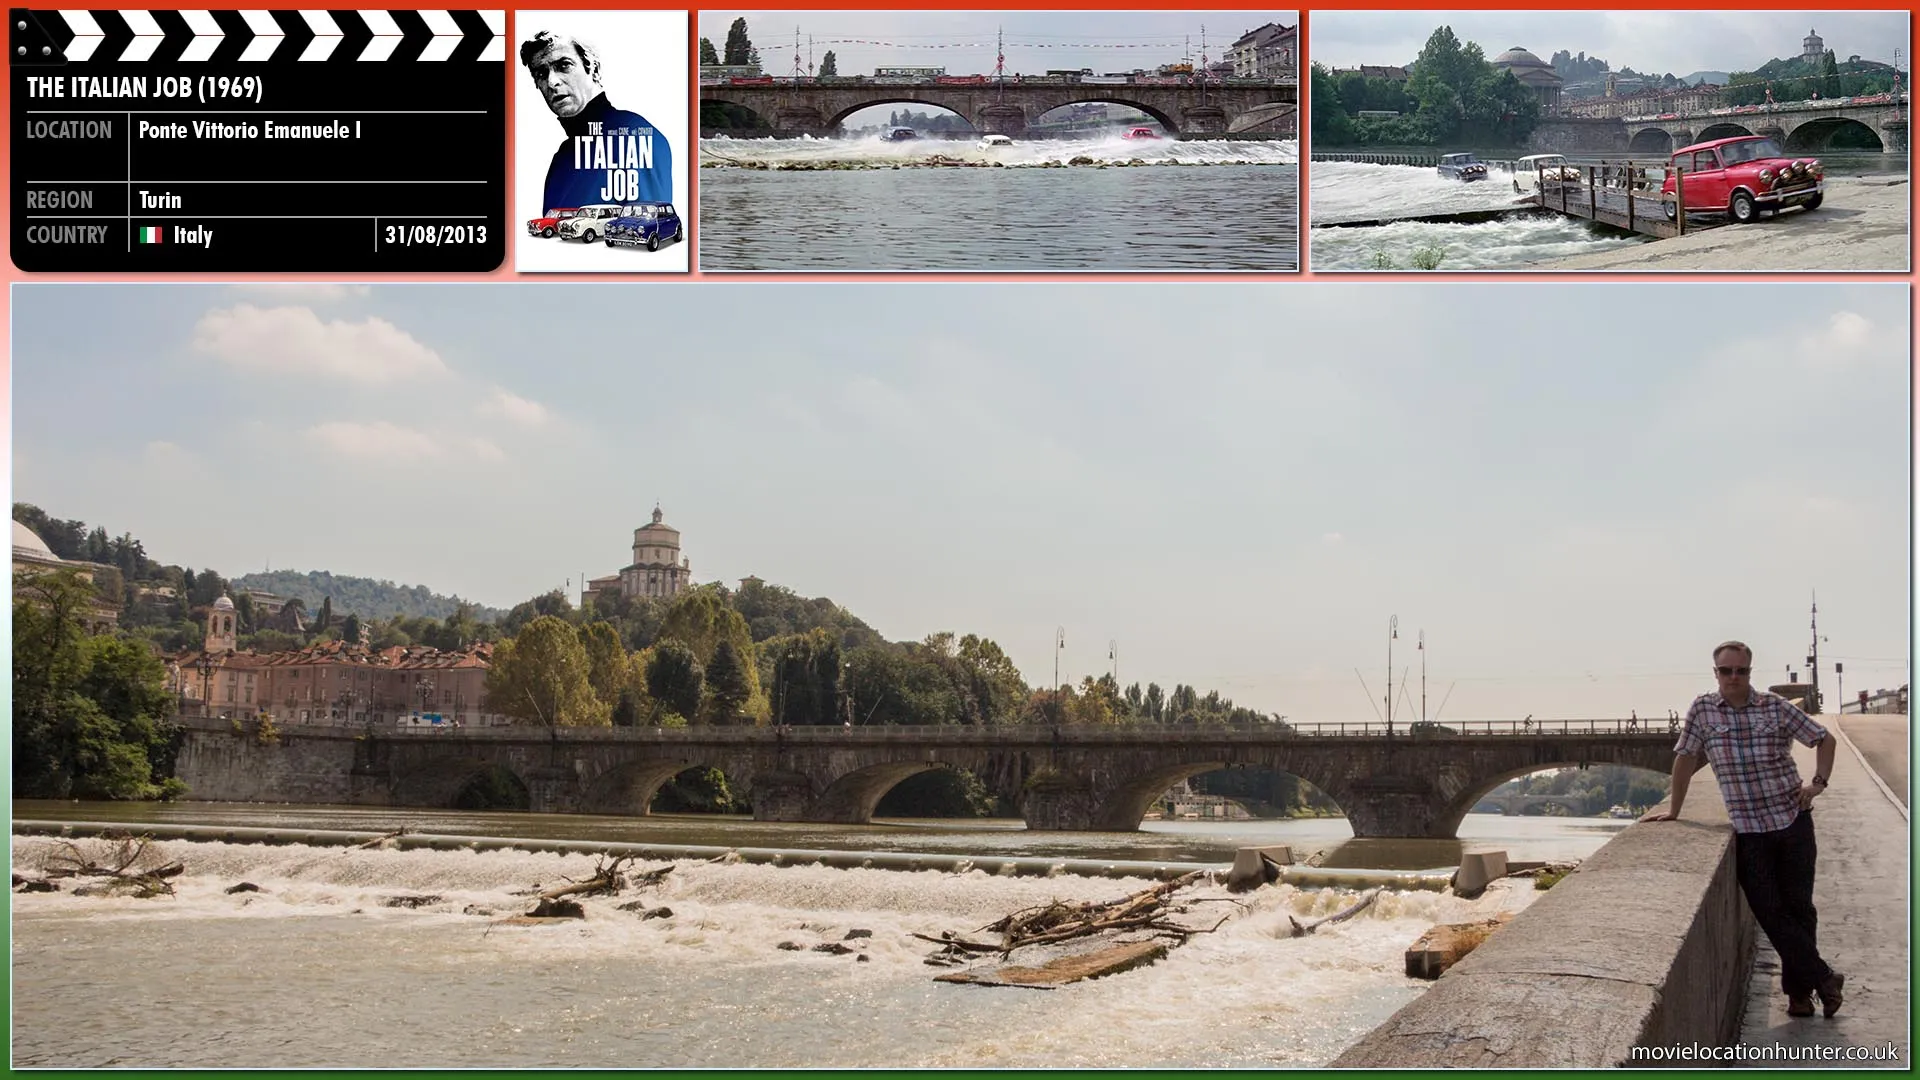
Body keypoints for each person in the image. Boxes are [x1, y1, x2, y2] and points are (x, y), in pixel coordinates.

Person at [1641, 640, 1843, 1019]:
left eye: (1741, 671)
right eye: (1726, 671)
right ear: (1715, 673)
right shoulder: (1702, 710)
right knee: (1769, 911)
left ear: (1750, 672)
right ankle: (1824, 977)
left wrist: (1817, 782)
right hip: (1750, 830)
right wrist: (1674, 808)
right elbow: (1685, 759)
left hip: (1792, 819)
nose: (1734, 677)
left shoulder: (1774, 707)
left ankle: (1800, 997)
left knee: (1800, 909)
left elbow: (1824, 739)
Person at [521, 30, 674, 215]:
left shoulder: (634, 138)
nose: (552, 81)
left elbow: (646, 230)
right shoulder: (563, 157)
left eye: (564, 65)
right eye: (541, 74)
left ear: (594, 69)